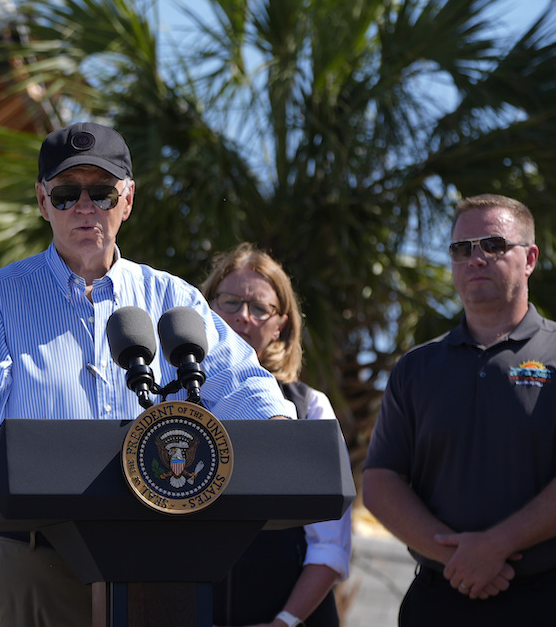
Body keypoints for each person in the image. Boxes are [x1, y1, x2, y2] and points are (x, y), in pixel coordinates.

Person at [0, 122, 294, 627]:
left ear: (128, 200)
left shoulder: (174, 298)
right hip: (38, 556)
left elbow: (245, 386)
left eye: (101, 193)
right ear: (42, 201)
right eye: (66, 194)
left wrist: (277, 432)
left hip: (160, 555)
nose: (84, 207)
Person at [363, 194, 556, 625]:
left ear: (529, 259)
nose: (476, 259)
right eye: (461, 249)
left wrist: (497, 546)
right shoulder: (416, 368)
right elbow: (379, 481)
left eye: (493, 245)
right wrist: (458, 557)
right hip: (439, 597)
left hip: (545, 597)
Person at [202, 243, 352, 627]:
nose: (243, 317)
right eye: (230, 302)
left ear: (280, 324)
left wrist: (285, 621)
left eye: (259, 308)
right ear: (207, 308)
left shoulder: (308, 407)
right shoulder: (174, 404)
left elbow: (329, 544)